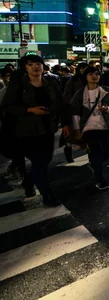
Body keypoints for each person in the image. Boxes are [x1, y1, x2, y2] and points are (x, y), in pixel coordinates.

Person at [2, 54, 65, 206]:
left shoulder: (51, 83)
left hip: (48, 130)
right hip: (27, 131)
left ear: (43, 66)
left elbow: (61, 104)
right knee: (39, 162)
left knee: (44, 162)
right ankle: (47, 195)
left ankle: (29, 181)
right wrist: (30, 109)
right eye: (30, 64)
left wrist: (67, 124)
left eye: (38, 63)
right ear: (25, 68)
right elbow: (7, 106)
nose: (35, 66)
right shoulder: (19, 85)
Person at [71, 67, 109, 190]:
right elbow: (75, 113)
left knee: (107, 154)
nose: (94, 76)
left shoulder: (106, 90)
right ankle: (100, 179)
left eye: (97, 74)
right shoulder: (80, 94)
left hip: (105, 126)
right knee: (98, 152)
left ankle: (94, 164)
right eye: (91, 74)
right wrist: (77, 131)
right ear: (85, 77)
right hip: (88, 128)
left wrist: (107, 109)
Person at [62, 62, 89, 163]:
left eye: (86, 68)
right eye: (82, 68)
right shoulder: (72, 80)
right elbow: (66, 97)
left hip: (88, 111)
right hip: (74, 111)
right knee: (71, 135)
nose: (84, 70)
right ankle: (68, 151)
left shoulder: (90, 79)